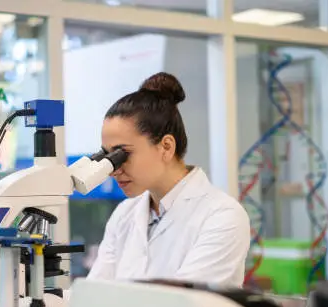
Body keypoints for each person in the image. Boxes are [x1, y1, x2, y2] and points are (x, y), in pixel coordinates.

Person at [87, 72, 251, 288]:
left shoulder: (222, 216)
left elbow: (180, 306)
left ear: (166, 147)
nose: (113, 170)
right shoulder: (125, 214)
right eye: (107, 156)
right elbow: (94, 294)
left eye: (121, 155)